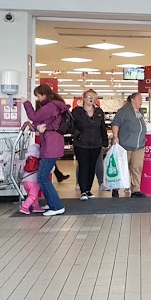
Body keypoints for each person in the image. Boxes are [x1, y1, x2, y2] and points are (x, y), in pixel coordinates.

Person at [22, 84, 68, 216]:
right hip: (51, 144)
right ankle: (52, 202)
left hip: (50, 146)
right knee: (43, 176)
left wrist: (26, 103)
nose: (37, 99)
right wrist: (36, 127)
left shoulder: (50, 106)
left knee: (42, 177)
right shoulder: (53, 106)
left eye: (38, 96)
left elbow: (35, 117)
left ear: (44, 95)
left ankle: (57, 206)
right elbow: (42, 122)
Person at [72, 89, 109, 201]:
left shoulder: (99, 112)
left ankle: (88, 189)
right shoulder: (77, 112)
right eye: (89, 96)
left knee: (92, 166)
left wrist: (105, 141)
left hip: (95, 144)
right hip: (81, 144)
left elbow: (102, 127)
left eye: (94, 97)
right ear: (83, 98)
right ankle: (83, 190)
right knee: (83, 166)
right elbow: (71, 126)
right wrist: (78, 135)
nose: (91, 98)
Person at [111, 93, 147, 198]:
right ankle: (116, 188)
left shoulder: (140, 112)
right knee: (122, 167)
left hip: (139, 145)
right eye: (139, 99)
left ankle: (135, 189)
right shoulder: (123, 111)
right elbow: (115, 123)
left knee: (137, 167)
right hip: (125, 145)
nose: (141, 101)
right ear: (132, 100)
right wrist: (115, 136)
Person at [18, 144, 46, 214]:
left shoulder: (26, 160)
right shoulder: (39, 161)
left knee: (32, 196)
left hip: (25, 182)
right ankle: (24, 207)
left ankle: (35, 206)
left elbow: (21, 171)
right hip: (34, 182)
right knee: (33, 196)